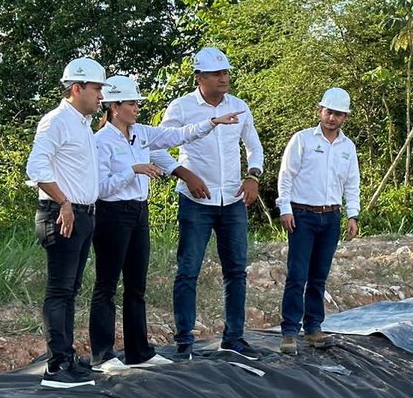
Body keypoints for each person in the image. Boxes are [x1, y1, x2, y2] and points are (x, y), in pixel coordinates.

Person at [90, 75, 243, 372]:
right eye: (132, 103)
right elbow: (100, 188)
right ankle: (103, 355)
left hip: (138, 212)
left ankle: (138, 352)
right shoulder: (100, 142)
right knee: (107, 284)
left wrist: (212, 122)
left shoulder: (141, 134)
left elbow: (178, 136)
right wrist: (133, 170)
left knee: (137, 284)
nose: (137, 108)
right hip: (112, 215)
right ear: (115, 106)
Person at [153, 46, 264, 359]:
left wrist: (253, 177)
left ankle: (234, 337)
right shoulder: (182, 107)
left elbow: (254, 148)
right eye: (216, 73)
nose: (223, 78)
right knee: (188, 270)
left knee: (236, 271)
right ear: (199, 77)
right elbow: (157, 146)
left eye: (226, 72)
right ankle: (184, 340)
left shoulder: (239, 106)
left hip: (232, 201)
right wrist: (184, 174)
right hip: (195, 201)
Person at [25, 57, 108, 389]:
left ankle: (67, 357)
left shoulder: (82, 124)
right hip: (61, 215)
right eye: (97, 89)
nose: (101, 96)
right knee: (60, 290)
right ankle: (57, 367)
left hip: (83, 215)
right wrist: (64, 202)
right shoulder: (56, 121)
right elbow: (37, 166)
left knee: (70, 289)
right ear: (77, 88)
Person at [276, 87, 360, 355]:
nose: (332, 118)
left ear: (345, 117)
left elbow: (351, 182)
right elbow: (286, 175)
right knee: (297, 275)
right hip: (302, 215)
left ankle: (313, 328)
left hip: (331, 216)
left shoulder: (348, 147)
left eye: (338, 114)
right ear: (319, 111)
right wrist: (285, 208)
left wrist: (352, 214)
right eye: (329, 112)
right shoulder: (302, 140)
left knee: (318, 277)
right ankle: (289, 331)